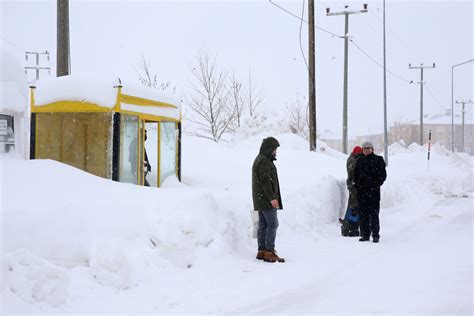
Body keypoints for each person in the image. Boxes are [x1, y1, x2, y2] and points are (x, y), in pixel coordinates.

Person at [252, 137, 285, 263]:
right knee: (272, 224)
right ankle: (269, 252)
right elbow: (265, 182)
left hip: (261, 199)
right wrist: (272, 198)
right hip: (266, 199)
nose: (275, 151)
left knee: (264, 225)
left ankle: (262, 251)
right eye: (274, 149)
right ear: (269, 149)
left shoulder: (261, 159)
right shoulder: (264, 161)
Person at [353, 141, 387, 243]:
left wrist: (375, 184)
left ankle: (375, 235)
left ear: (372, 149)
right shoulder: (359, 161)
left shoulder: (378, 160)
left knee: (374, 215)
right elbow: (355, 176)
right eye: (365, 148)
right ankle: (365, 235)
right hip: (362, 193)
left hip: (374, 193)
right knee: (363, 215)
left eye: (369, 148)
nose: (367, 150)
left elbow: (383, 176)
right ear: (362, 150)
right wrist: (358, 186)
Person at [340, 145, 363, 237]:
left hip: (353, 185)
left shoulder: (352, 158)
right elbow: (352, 173)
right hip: (353, 186)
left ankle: (348, 222)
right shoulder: (353, 160)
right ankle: (348, 223)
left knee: (352, 205)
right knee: (353, 206)